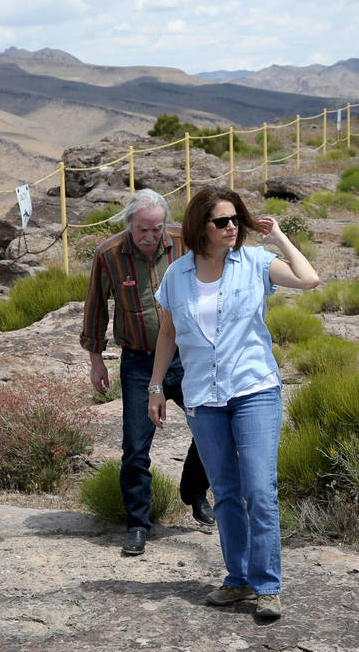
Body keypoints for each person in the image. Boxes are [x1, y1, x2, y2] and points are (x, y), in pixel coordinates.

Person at [148, 187, 319, 621]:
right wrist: (154, 386)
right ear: (198, 227)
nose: (231, 228)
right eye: (221, 221)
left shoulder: (256, 263)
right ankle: (238, 578)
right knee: (223, 491)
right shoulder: (177, 275)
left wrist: (279, 236)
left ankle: (267, 586)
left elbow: (308, 278)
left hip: (254, 388)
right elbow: (168, 335)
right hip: (203, 396)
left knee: (259, 489)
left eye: (234, 220)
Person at [80, 188, 213, 557]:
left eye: (156, 228)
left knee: (213, 426)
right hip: (139, 362)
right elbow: (95, 308)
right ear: (129, 225)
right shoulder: (108, 254)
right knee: (136, 449)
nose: (150, 237)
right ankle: (137, 524)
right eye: (142, 229)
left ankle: (194, 490)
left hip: (185, 356)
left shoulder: (183, 242)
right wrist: (96, 359)